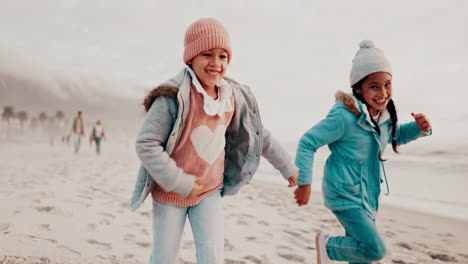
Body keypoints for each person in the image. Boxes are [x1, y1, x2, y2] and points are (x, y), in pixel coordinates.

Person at [130, 18, 299, 264]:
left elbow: (259, 134)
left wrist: (286, 166)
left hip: (209, 190)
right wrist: (178, 180)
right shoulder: (171, 97)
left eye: (223, 56)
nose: (216, 63)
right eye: (207, 54)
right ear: (190, 58)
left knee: (212, 256)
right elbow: (146, 144)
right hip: (169, 192)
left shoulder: (231, 97)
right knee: (163, 257)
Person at [294, 40, 432, 264]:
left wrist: (419, 128)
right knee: (373, 249)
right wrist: (304, 182)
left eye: (387, 84)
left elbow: (394, 136)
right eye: (374, 86)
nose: (383, 93)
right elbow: (308, 142)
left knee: (361, 256)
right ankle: (327, 246)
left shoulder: (383, 116)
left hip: (368, 195)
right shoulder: (344, 117)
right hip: (345, 194)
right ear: (358, 88)